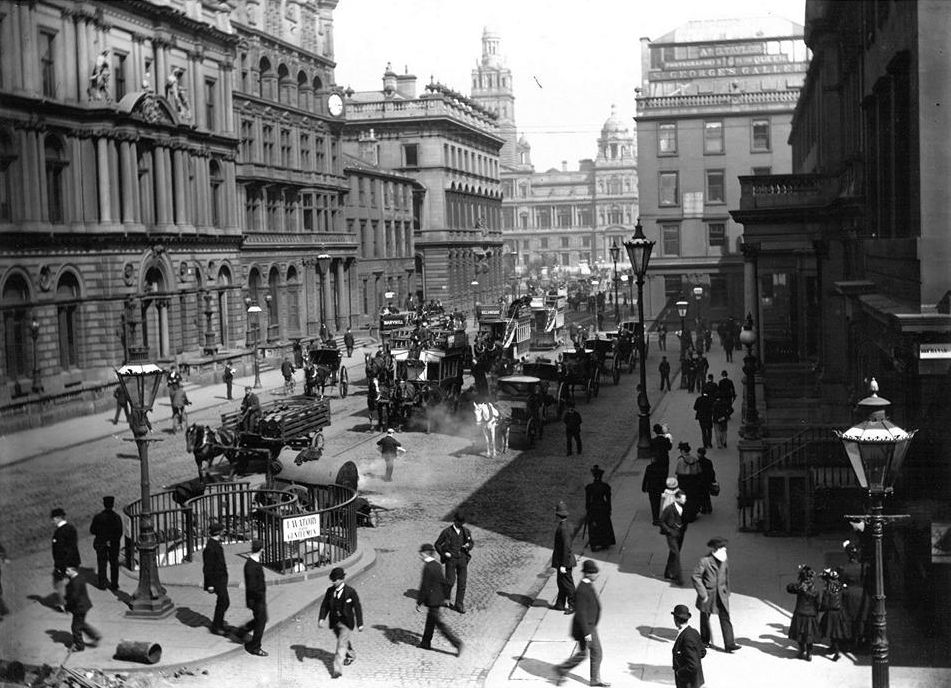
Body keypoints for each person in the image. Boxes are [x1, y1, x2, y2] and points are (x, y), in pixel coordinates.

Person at [555, 560, 610, 687]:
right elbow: (581, 614)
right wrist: (587, 633)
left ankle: (562, 669)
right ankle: (595, 680)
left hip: (588, 626)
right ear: (588, 574)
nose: (597, 575)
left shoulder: (587, 585)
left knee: (583, 653)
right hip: (586, 628)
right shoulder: (582, 590)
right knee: (597, 652)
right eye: (594, 573)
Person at [692, 537, 740, 652]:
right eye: (721, 547)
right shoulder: (705, 561)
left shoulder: (724, 559)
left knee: (725, 617)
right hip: (709, 594)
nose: (724, 549)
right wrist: (703, 593)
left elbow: (726, 574)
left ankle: (730, 643)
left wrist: (727, 590)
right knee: (705, 618)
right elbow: (696, 576)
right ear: (715, 549)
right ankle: (704, 641)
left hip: (721, 594)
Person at [416, 543, 463, 655]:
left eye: (421, 554)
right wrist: (446, 597)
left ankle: (457, 643)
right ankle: (425, 642)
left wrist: (419, 601)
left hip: (432, 600)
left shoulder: (428, 567)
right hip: (438, 599)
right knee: (430, 621)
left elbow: (425, 586)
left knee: (439, 624)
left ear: (425, 554)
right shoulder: (437, 565)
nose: (420, 556)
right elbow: (444, 582)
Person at [318, 566, 364, 678]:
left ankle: (336, 670)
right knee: (342, 640)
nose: (334, 582)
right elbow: (325, 606)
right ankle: (351, 654)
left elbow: (357, 608)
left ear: (342, 579)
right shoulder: (330, 591)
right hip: (334, 621)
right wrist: (322, 618)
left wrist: (360, 623)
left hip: (346, 622)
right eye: (332, 580)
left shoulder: (350, 592)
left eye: (336, 580)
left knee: (341, 644)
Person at [434, 512, 474, 614]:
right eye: (459, 522)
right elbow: (437, 544)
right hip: (451, 560)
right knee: (450, 581)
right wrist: (444, 554)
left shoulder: (466, 531)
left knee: (462, 583)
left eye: (462, 522)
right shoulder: (447, 532)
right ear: (454, 521)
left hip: (462, 560)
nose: (461, 524)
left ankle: (459, 604)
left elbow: (471, 543)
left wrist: (468, 546)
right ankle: (446, 598)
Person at [238, 539, 268, 656]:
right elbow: (252, 586)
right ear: (261, 550)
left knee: (260, 619)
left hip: (257, 598)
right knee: (262, 620)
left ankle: (243, 631)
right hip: (256, 599)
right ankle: (254, 647)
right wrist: (260, 596)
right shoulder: (251, 565)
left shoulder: (253, 562)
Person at [786, 564, 821, 660]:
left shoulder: (800, 588)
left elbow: (789, 588)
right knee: (809, 635)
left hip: (800, 613)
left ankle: (802, 651)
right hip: (811, 615)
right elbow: (817, 604)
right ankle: (809, 653)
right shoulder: (815, 591)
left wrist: (799, 586)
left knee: (799, 634)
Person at [89, 496, 123, 591]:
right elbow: (119, 532)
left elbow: (92, 530)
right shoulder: (117, 517)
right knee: (114, 563)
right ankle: (114, 584)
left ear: (104, 504)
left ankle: (102, 583)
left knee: (102, 563)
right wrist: (112, 540)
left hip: (101, 542)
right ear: (112, 504)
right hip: (113, 544)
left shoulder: (98, 517)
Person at [64, 566, 100, 652]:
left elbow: (74, 597)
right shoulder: (79, 578)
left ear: (73, 570)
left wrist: (66, 606)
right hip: (84, 606)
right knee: (81, 623)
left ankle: (79, 646)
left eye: (68, 570)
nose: (66, 572)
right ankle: (94, 635)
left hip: (79, 607)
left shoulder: (75, 581)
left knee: (75, 627)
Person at [202, 522, 230, 636]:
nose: (224, 533)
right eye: (222, 531)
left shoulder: (216, 543)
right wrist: (210, 584)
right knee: (224, 601)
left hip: (221, 579)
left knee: (223, 602)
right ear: (218, 533)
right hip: (216, 580)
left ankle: (218, 623)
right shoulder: (210, 547)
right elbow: (207, 567)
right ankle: (216, 626)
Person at [51, 507, 80, 612]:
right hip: (74, 561)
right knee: (71, 583)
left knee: (59, 583)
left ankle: (63, 604)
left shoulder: (59, 532)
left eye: (53, 518)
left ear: (58, 518)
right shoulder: (71, 528)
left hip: (64, 563)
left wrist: (60, 566)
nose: (52, 521)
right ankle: (73, 603)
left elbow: (59, 551)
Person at [819, 567, 850, 661]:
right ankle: (834, 648)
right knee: (837, 632)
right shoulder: (841, 588)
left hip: (831, 613)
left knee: (832, 633)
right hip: (840, 612)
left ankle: (836, 652)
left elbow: (824, 603)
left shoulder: (827, 590)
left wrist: (821, 609)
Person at [671, 604, 706, 688]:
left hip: (688, 683)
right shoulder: (694, 632)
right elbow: (703, 652)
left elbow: (693, 665)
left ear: (675, 620)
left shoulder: (686, 638)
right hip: (695, 681)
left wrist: (679, 672)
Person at [551, 501, 576, 613]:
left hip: (564, 561)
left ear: (558, 515)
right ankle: (560, 603)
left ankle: (573, 605)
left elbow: (566, 547)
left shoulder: (563, 529)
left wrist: (564, 565)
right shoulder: (567, 525)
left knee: (567, 584)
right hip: (562, 560)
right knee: (561, 582)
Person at [585, 466, 615, 552]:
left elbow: (587, 501)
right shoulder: (605, 486)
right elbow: (608, 500)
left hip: (593, 507)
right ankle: (605, 542)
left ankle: (594, 543)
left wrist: (587, 509)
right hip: (602, 507)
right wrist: (609, 509)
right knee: (604, 524)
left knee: (593, 526)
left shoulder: (589, 487)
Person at [660, 490, 687, 586]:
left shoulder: (684, 508)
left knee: (674, 553)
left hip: (680, 534)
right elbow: (662, 521)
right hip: (671, 534)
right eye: (683, 498)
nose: (685, 500)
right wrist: (669, 530)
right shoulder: (669, 509)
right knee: (676, 554)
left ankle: (668, 572)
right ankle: (678, 577)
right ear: (677, 498)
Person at [674, 443, 702, 522]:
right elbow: (699, 471)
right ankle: (692, 515)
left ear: (683, 451)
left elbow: (678, 472)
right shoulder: (694, 459)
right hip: (693, 481)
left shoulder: (681, 460)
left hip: (683, 482)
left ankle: (684, 516)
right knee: (692, 498)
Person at [642, 456, 669, 525]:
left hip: (651, 488)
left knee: (653, 503)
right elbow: (663, 479)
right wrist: (664, 488)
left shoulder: (649, 467)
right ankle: (656, 518)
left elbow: (646, 478)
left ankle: (655, 518)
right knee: (657, 502)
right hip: (658, 488)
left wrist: (644, 487)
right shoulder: (661, 468)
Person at [696, 448, 716, 515]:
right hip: (707, 481)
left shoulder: (698, 462)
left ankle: (704, 508)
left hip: (700, 481)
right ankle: (709, 508)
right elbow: (712, 471)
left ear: (699, 454)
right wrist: (713, 480)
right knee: (707, 495)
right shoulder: (708, 461)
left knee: (702, 495)